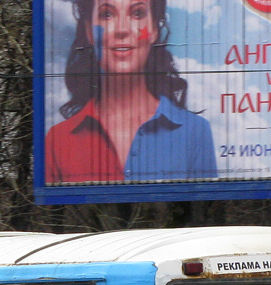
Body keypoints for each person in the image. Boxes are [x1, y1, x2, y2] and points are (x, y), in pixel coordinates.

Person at [44, 0, 217, 184]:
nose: (122, 30)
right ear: (89, 31)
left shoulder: (195, 132)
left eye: (137, 13)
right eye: (107, 14)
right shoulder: (57, 141)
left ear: (153, 30)